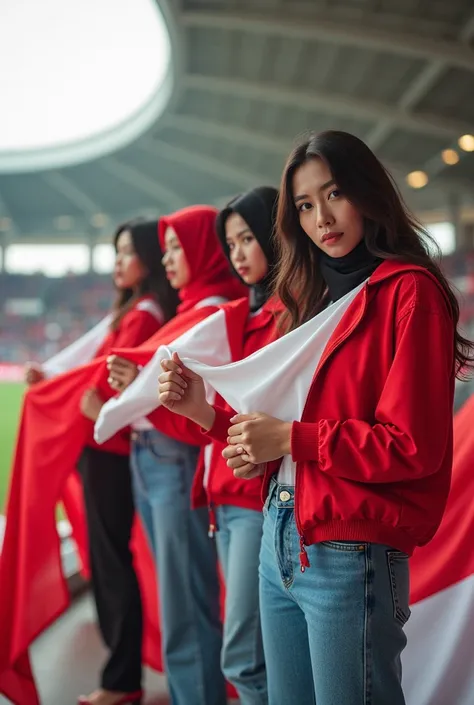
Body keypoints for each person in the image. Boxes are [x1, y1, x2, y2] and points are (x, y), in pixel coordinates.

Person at [156, 131, 474, 705]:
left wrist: (292, 438)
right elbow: (273, 434)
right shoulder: (309, 298)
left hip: (350, 554)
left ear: (366, 193)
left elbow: (411, 447)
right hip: (279, 538)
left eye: (334, 195)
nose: (322, 217)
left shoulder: (410, 294)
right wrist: (200, 411)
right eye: (305, 205)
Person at [90, 206, 246, 705]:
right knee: (180, 595)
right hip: (156, 455)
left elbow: (192, 404)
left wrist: (125, 394)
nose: (168, 257)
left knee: (185, 600)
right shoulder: (190, 310)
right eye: (166, 248)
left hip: (173, 457)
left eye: (178, 246)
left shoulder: (214, 310)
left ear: (203, 249)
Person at [25, 219, 178, 705]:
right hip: (110, 451)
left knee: (114, 563)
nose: (118, 263)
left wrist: (55, 388)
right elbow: (92, 364)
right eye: (115, 253)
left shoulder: (143, 314)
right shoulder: (132, 310)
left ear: (148, 261)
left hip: (110, 452)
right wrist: (53, 377)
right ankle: (121, 676)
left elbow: (104, 385)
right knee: (114, 561)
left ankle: (121, 680)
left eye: (127, 253)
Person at [158, 187, 280, 704]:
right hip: (223, 499)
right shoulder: (240, 315)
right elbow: (226, 419)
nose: (238, 254)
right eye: (231, 244)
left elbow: (266, 419)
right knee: (256, 654)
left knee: (247, 658)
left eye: (248, 238)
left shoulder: (284, 317)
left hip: (257, 500)